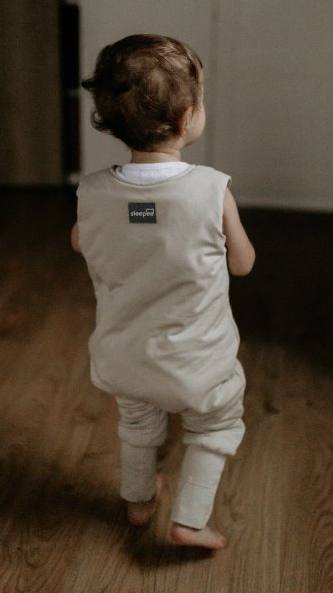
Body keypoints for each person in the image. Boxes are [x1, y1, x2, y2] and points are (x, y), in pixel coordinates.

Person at [71, 34, 256, 550]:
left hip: (124, 353)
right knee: (214, 426)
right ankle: (189, 521)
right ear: (186, 119)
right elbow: (242, 263)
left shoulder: (93, 190)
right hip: (198, 361)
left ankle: (138, 501)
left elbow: (81, 241)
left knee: (137, 423)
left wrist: (131, 230)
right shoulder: (211, 189)